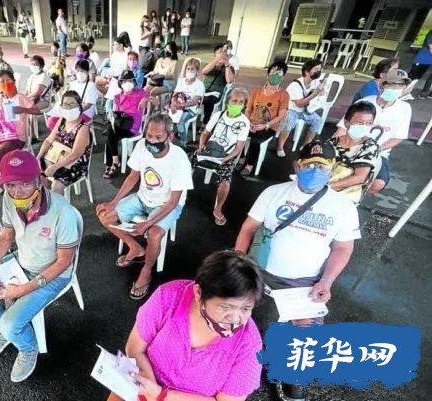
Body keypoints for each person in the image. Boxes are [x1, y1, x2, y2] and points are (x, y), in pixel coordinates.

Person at [235, 140, 360, 401]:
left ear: (332, 169)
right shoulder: (273, 193)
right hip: (260, 274)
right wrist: (238, 262)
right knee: (239, 325)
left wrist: (326, 282)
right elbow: (248, 228)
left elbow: (342, 248)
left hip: (306, 282)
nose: (315, 170)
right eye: (310, 164)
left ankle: (292, 377)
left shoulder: (343, 207)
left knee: (307, 338)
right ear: (297, 165)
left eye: (322, 166)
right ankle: (240, 368)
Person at [0, 149, 81, 383]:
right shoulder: (9, 199)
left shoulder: (62, 212)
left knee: (11, 323)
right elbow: (6, 236)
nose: (17, 192)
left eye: (24, 183)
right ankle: (6, 331)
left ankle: (27, 347)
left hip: (54, 273)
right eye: (10, 185)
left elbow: (64, 262)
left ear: (38, 180)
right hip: (21, 260)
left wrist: (23, 290)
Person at [105, 250, 263, 401]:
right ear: (199, 293)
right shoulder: (168, 296)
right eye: (226, 307)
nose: (236, 319)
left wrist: (160, 395)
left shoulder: (249, 346)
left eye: (245, 309)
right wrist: (149, 388)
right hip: (144, 384)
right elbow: (134, 349)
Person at [96, 114, 194, 300]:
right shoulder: (142, 146)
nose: (152, 141)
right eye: (149, 135)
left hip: (166, 204)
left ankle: (147, 269)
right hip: (143, 198)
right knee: (104, 214)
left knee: (154, 234)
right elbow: (133, 176)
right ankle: (135, 247)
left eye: (158, 137)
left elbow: (173, 202)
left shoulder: (180, 159)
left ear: (170, 137)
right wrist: (113, 202)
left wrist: (148, 223)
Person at [334, 69, 412, 196]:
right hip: (351, 145)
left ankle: (358, 196)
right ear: (382, 86)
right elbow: (343, 127)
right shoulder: (364, 103)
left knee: (378, 183)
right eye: (393, 85)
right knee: (338, 173)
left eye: (400, 86)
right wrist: (331, 147)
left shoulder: (405, 109)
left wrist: (375, 149)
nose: (396, 89)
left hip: (380, 152)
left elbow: (399, 137)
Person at [192, 88, 250, 226]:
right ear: (228, 102)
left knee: (225, 180)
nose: (237, 104)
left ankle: (218, 208)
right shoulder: (218, 115)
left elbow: (238, 149)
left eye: (241, 102)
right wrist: (201, 147)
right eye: (234, 101)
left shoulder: (244, 122)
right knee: (185, 161)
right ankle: (176, 196)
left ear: (244, 105)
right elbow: (205, 133)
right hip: (209, 150)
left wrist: (225, 159)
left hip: (226, 155)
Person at [37, 91, 91, 194]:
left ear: (79, 107)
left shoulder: (83, 128)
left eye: (72, 104)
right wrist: (38, 157)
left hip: (76, 163)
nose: (68, 108)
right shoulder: (62, 120)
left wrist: (54, 167)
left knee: (56, 185)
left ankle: (58, 204)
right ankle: (47, 199)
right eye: (65, 105)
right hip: (57, 156)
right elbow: (49, 140)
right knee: (38, 174)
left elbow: (76, 154)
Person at [240, 60, 289, 175]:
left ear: (282, 77)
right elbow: (248, 110)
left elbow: (281, 116)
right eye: (273, 72)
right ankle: (241, 157)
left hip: (269, 127)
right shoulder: (256, 92)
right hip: (252, 123)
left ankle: (249, 164)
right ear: (268, 74)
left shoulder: (283, 95)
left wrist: (265, 125)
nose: (275, 75)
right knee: (238, 132)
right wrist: (248, 123)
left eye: (279, 73)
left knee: (255, 140)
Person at [102, 70, 149, 179]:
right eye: (125, 81)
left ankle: (112, 163)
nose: (127, 83)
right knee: (111, 130)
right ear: (121, 83)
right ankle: (114, 161)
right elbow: (116, 113)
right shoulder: (117, 97)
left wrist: (145, 99)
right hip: (120, 125)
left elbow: (155, 101)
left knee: (110, 132)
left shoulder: (140, 93)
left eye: (130, 80)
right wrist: (111, 115)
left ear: (134, 82)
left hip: (132, 126)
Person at [328, 102, 380, 202]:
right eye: (360, 122)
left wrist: (328, 187)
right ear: (346, 123)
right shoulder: (333, 142)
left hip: (345, 195)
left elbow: (360, 177)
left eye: (368, 123)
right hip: (323, 186)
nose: (364, 126)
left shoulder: (370, 146)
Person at [276, 59, 326, 156]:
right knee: (289, 120)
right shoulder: (295, 85)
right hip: (292, 109)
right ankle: (280, 147)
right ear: (307, 72)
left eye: (320, 69)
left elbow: (322, 95)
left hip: (304, 110)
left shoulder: (315, 82)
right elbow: (299, 104)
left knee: (318, 120)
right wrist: (315, 93)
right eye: (316, 69)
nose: (319, 72)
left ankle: (306, 146)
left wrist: (322, 89)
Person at [0, 70, 30, 165]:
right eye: (2, 81)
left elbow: (34, 110)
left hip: (17, 137)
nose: (5, 83)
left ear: (14, 81)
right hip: (1, 135)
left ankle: (5, 172)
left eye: (8, 80)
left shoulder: (20, 98)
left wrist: (23, 109)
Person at [201, 44, 238, 127]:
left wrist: (227, 64)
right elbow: (203, 71)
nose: (223, 54)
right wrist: (217, 60)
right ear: (215, 55)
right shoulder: (211, 65)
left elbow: (229, 80)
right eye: (220, 52)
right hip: (203, 90)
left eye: (224, 52)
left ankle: (205, 123)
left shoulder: (229, 67)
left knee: (208, 100)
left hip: (216, 93)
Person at [170, 57, 205, 145]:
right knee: (167, 119)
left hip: (191, 109)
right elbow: (175, 95)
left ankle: (183, 143)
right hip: (178, 106)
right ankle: (169, 139)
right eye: (188, 68)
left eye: (192, 69)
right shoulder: (181, 81)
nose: (189, 71)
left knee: (181, 122)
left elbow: (195, 101)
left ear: (197, 71)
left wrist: (181, 105)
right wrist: (174, 103)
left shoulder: (199, 84)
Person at [408, 29, 432, 99]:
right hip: (422, 59)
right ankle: (400, 92)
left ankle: (406, 92)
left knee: (417, 78)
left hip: (427, 61)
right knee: (412, 77)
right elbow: (431, 48)